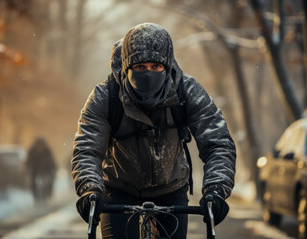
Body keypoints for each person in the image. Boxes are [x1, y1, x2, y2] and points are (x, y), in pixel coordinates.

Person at [72, 23, 236, 238]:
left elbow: (218, 144)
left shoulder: (188, 92)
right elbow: (87, 149)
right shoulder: (105, 96)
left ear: (167, 66)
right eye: (140, 66)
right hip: (118, 188)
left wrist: (216, 190)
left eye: (156, 66)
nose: (148, 73)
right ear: (127, 66)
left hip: (170, 188)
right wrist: (90, 189)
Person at [26, 137, 56, 201]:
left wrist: (52, 168)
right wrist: (28, 166)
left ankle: (48, 193)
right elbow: (29, 159)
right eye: (39, 145)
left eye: (41, 145)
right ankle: (36, 196)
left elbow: (51, 160)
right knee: (33, 181)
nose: (40, 147)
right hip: (35, 168)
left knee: (50, 179)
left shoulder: (47, 150)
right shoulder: (32, 150)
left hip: (46, 168)